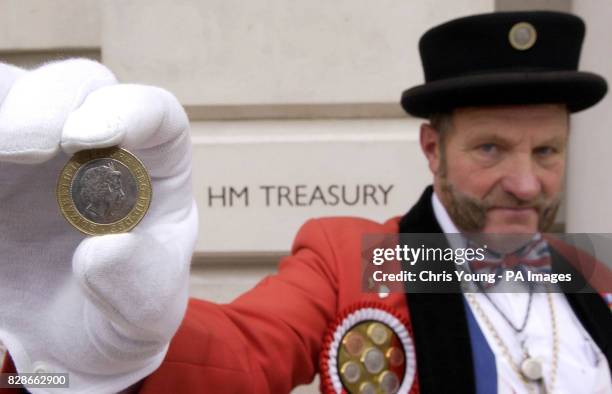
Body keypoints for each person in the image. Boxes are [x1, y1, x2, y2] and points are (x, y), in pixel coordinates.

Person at [1, 9, 611, 394]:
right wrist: (116, 352)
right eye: (490, 149)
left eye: (548, 153)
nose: (527, 183)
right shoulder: (361, 257)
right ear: (433, 148)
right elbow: (241, 354)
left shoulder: (590, 272)